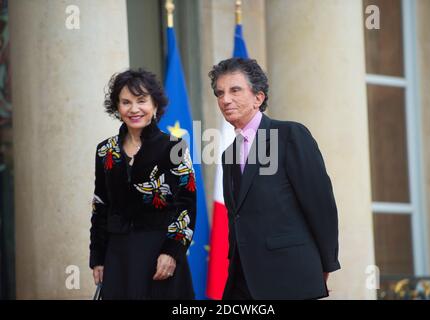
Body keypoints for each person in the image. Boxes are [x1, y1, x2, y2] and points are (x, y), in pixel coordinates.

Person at [209, 58, 340, 300]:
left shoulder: (290, 135)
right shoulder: (228, 155)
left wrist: (324, 264)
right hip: (242, 280)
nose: (225, 100)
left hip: (289, 276)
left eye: (235, 90)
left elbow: (320, 205)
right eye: (220, 93)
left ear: (258, 97)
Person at [89, 69, 196, 299]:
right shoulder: (105, 150)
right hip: (117, 256)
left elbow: (187, 204)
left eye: (141, 101)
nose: (134, 109)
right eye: (126, 102)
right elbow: (101, 206)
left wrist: (172, 251)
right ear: (117, 107)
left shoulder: (174, 147)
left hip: (159, 254)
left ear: (155, 105)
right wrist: (98, 257)